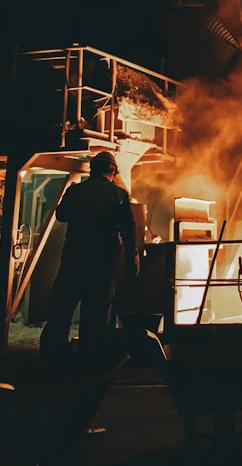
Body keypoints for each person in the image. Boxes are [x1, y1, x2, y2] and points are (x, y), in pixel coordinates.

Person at [40, 151, 140, 366]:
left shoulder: (75, 192)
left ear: (92, 170)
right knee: (96, 312)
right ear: (113, 172)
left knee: (62, 308)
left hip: (74, 260)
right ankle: (89, 358)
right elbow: (129, 230)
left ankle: (52, 357)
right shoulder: (119, 196)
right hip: (102, 263)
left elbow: (62, 215)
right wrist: (133, 259)